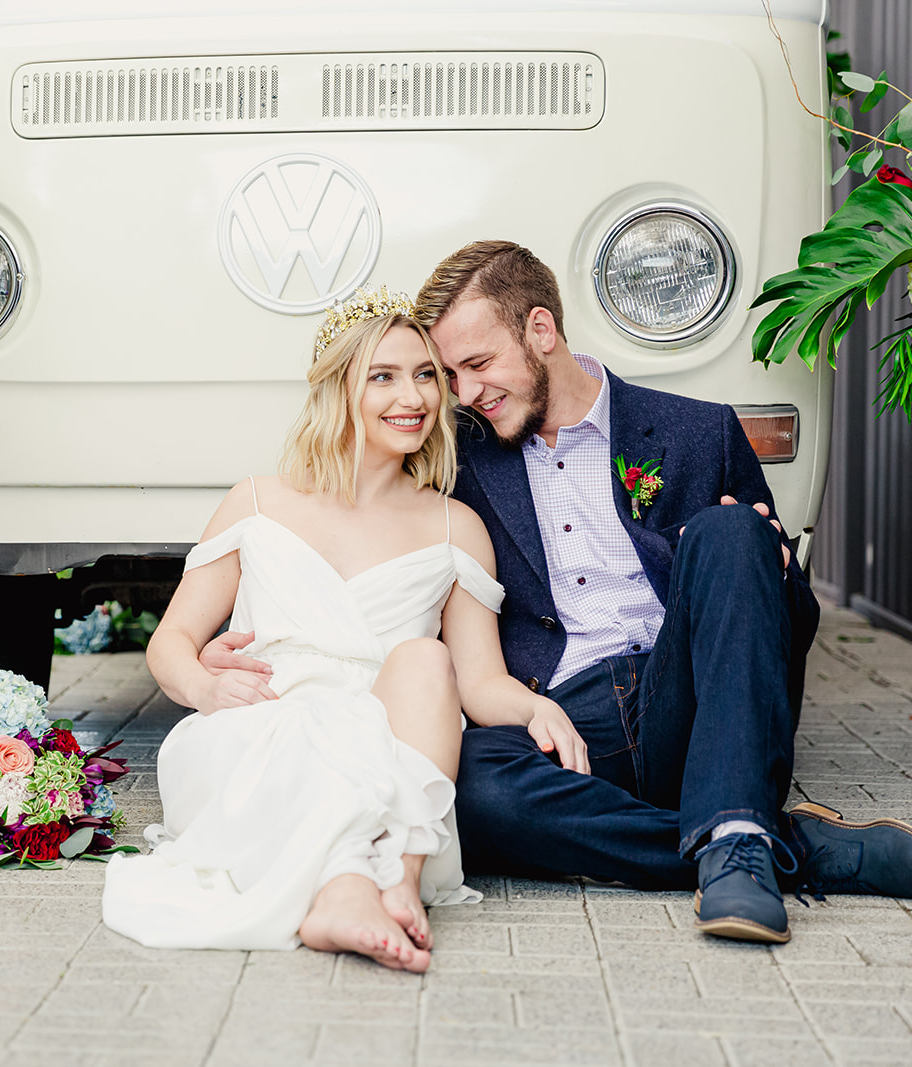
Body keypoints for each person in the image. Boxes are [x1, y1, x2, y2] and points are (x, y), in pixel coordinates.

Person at [206, 242, 912, 944]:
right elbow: (365, 532)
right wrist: (247, 627)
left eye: (477, 363)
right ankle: (758, 837)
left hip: (684, 697)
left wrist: (768, 562)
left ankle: (734, 834)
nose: (463, 393)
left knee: (728, 534)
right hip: (559, 720)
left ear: (540, 329)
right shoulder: (454, 459)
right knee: (461, 787)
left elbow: (786, 628)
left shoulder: (701, 434)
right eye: (451, 374)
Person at [100, 288, 587, 973]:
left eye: (424, 374)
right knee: (310, 729)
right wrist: (205, 687)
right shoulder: (259, 501)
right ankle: (346, 891)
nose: (411, 396)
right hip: (259, 720)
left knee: (423, 659)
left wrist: (534, 704)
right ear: (339, 389)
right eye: (382, 376)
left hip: (386, 729)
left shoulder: (456, 527)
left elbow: (478, 683)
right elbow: (170, 641)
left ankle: (396, 877)